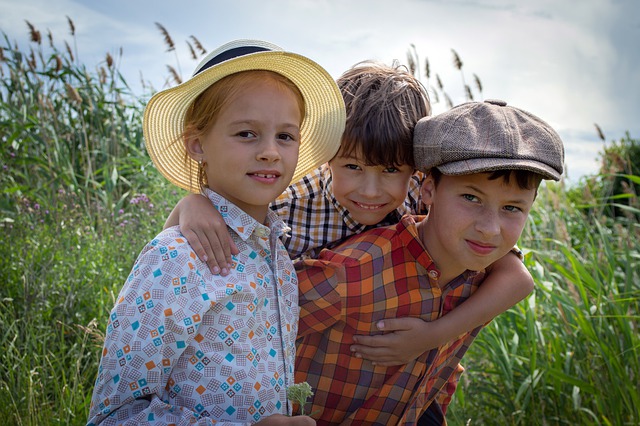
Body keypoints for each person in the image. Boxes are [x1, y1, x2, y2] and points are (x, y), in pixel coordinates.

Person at [164, 62, 534, 370]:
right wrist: (190, 205)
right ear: (328, 154)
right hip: (277, 363)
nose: (371, 191)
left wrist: (434, 337)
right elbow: (171, 265)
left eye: (391, 171)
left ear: (417, 172)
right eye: (353, 166)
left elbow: (517, 277)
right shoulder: (288, 204)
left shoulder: (422, 203)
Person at [87, 39, 346, 425]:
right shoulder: (176, 256)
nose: (270, 151)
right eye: (246, 133)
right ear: (197, 144)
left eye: (286, 136)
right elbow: (114, 415)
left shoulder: (279, 261)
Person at [294, 99, 565, 425]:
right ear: (428, 190)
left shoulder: (481, 278)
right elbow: (234, 338)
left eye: (512, 208)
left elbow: (521, 280)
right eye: (471, 198)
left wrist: (433, 335)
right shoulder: (352, 272)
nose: (489, 228)